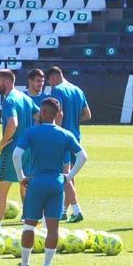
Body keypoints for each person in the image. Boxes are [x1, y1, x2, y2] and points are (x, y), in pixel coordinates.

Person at [10, 97, 88, 266]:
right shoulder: (65, 134)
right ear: (57, 114)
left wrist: (21, 177)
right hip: (56, 184)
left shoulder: (31, 132)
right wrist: (69, 176)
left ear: (43, 113)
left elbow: (16, 155)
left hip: (36, 183)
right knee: (53, 228)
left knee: (29, 226)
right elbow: (83, 156)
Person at [0, 69, 39, 230]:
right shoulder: (25, 97)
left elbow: (13, 123)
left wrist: (3, 141)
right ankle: (31, 224)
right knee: (27, 186)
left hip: (12, 151)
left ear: (6, 82)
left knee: (2, 191)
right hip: (29, 150)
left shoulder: (9, 100)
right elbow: (40, 116)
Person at [46, 66, 91, 222]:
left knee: (64, 175)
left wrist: (55, 131)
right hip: (75, 136)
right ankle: (64, 211)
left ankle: (77, 210)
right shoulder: (77, 90)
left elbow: (59, 113)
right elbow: (87, 114)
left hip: (62, 138)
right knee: (70, 174)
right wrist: (73, 122)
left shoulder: (57, 90)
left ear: (52, 78)